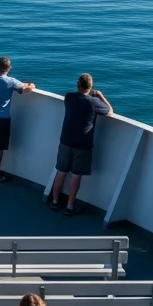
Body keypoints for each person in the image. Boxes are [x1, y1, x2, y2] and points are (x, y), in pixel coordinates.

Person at [47, 73, 111, 216]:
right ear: (91, 86)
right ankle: (70, 206)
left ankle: (55, 201)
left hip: (65, 140)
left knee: (61, 171)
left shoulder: (69, 97)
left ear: (78, 84)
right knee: (76, 175)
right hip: (82, 144)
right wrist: (100, 96)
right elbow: (109, 112)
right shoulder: (93, 102)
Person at [0, 56, 35, 182]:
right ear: (9, 68)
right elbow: (25, 88)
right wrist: (31, 84)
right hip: (1, 119)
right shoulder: (10, 81)